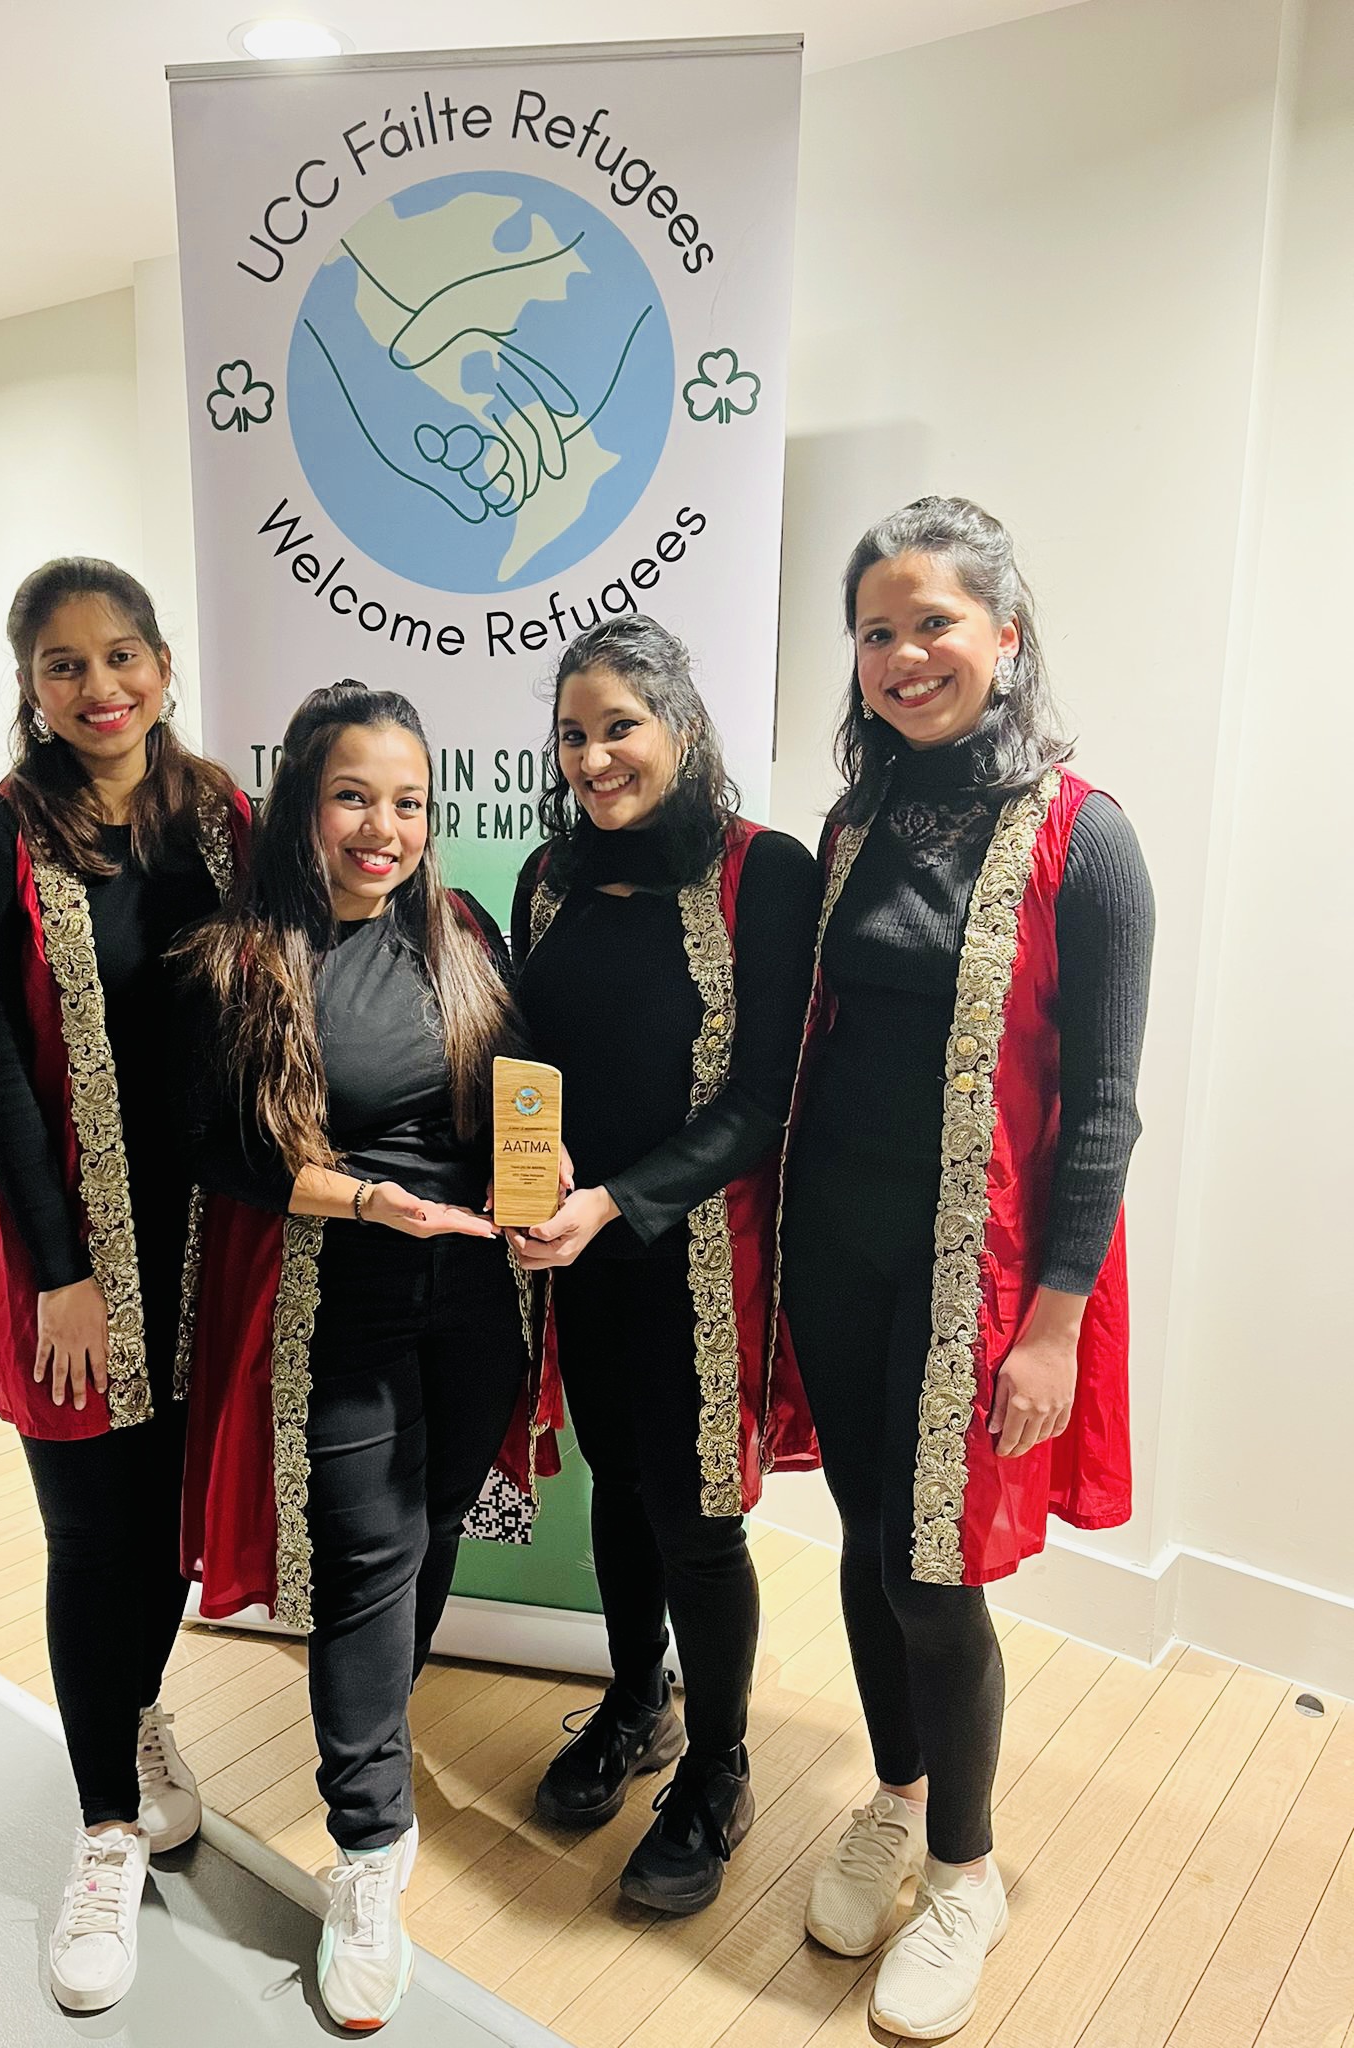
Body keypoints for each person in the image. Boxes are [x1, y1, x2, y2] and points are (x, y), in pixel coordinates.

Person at [780, 497, 1154, 2040]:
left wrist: (1054, 1327)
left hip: (978, 1283)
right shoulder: (853, 826)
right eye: (877, 632)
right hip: (836, 1250)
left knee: (934, 1579)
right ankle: (897, 1791)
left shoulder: (1086, 836)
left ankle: (965, 1872)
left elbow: (1107, 1108)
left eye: (933, 622)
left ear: (1005, 632)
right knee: (870, 1546)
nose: (904, 656)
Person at [0, 558, 249, 2014]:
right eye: (65, 664)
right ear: (31, 684)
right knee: (91, 1526)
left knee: (168, 1516)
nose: (99, 687)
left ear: (162, 664)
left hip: (206, 1236)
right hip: (62, 1237)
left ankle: (137, 1708)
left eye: (121, 656)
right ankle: (105, 1828)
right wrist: (60, 1274)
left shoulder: (221, 817)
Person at [177, 683, 540, 2032]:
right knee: (366, 1559)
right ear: (302, 804)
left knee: (431, 1529)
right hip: (347, 1297)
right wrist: (371, 1201)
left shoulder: (461, 929)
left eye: (407, 802)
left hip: (480, 1295)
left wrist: (543, 1160)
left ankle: (380, 1730)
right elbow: (222, 1150)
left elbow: (517, 1085)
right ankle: (369, 1849)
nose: (383, 828)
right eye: (352, 797)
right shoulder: (240, 958)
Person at [507, 616, 821, 1916]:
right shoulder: (547, 877)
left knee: (696, 1518)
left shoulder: (765, 873)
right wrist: (535, 1180)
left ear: (682, 729)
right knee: (616, 1482)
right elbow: (531, 1065)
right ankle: (637, 1701)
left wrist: (616, 1202)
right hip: (577, 1254)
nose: (594, 758)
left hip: (698, 1262)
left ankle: (719, 1767)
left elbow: (762, 1102)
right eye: (573, 735)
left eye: (620, 728)